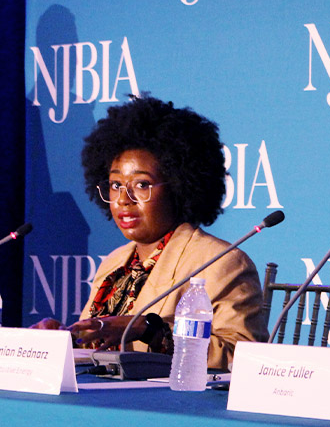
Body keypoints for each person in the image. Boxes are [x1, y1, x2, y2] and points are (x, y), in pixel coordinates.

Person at [33, 95, 268, 370]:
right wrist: (64, 338)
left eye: (142, 185)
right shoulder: (115, 263)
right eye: (115, 185)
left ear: (180, 187)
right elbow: (98, 350)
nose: (124, 199)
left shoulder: (221, 263)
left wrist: (151, 331)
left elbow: (240, 358)